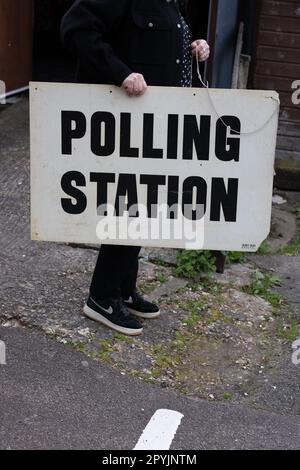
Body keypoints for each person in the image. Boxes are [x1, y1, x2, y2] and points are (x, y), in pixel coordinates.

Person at [61, 0, 210, 336]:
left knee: (142, 207)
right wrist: (121, 72)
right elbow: (76, 29)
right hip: (123, 124)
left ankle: (124, 290)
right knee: (128, 206)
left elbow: (156, 49)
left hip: (158, 127)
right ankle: (101, 296)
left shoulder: (175, 3)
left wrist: (195, 49)